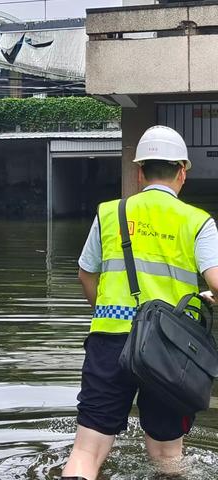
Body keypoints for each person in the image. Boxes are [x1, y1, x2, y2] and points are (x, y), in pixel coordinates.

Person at [61, 125, 218, 480]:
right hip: (170, 351)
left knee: (86, 451)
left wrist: (106, 315)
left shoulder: (109, 214)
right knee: (166, 455)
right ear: (182, 172)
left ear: (139, 172)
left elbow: (86, 276)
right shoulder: (198, 222)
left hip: (110, 339)